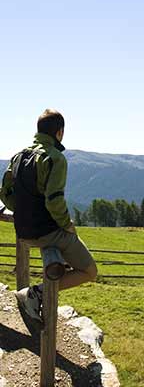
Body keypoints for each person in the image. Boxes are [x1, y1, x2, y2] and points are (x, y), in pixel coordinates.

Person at [0, 109, 98, 335]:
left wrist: (24, 210)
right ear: (59, 132)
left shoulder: (18, 156)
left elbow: (5, 194)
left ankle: (49, 278)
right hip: (46, 232)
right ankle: (35, 293)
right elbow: (55, 201)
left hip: (22, 231)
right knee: (90, 271)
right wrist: (67, 225)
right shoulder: (54, 158)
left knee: (66, 253)